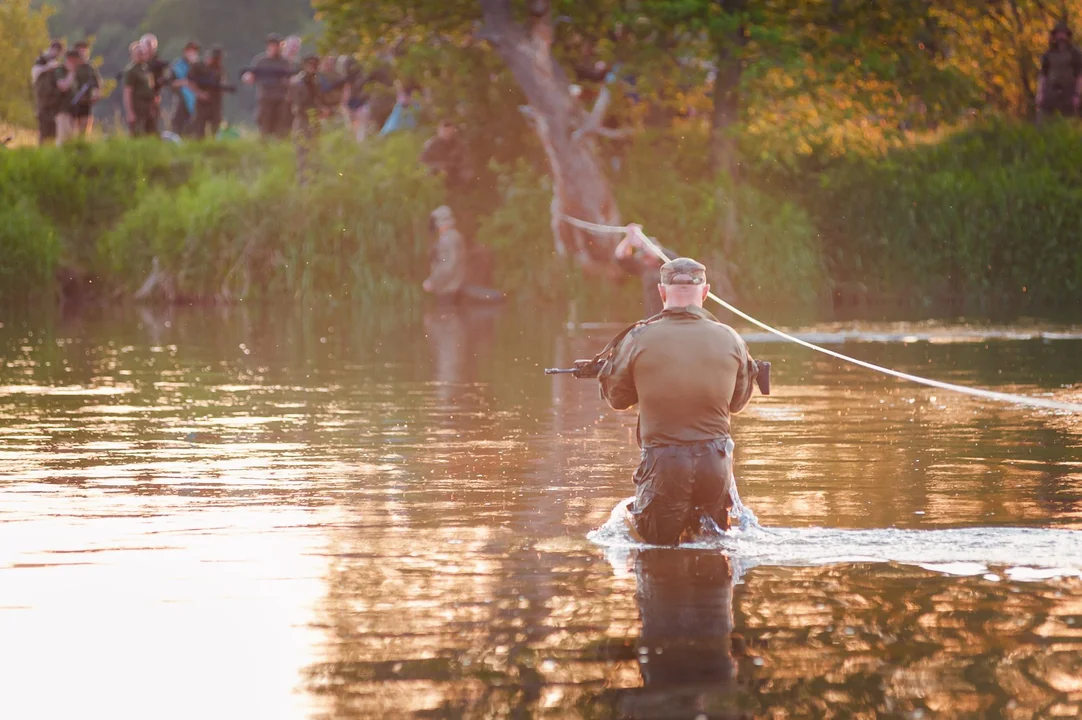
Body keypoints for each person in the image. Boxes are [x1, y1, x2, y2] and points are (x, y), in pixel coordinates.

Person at [598, 257, 762, 545]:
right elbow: (737, 403)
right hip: (716, 464)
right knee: (714, 553)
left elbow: (617, 398)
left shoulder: (638, 337)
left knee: (656, 554)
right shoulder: (731, 338)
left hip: (664, 464)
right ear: (706, 291)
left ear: (662, 292)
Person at [614, 224, 676, 318]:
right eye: (643, 257)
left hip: (671, 319)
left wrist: (641, 241)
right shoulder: (643, 268)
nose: (645, 260)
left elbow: (656, 253)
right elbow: (620, 256)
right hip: (652, 320)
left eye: (647, 256)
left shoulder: (669, 261)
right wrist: (629, 238)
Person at [243, 34, 293, 139]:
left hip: (280, 97)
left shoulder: (284, 62)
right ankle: (264, 144)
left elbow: (289, 78)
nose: (275, 47)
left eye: (277, 45)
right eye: (272, 45)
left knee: (281, 122)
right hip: (265, 96)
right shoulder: (261, 61)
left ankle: (279, 144)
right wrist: (248, 77)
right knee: (264, 122)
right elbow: (251, 74)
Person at [1038, 22, 1082, 120]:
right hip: (1051, 91)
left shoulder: (1075, 53)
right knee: (1045, 120)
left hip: (1069, 91)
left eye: (1063, 33)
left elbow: (1079, 75)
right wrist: (1040, 93)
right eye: (1058, 33)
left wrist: (1077, 94)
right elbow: (1043, 75)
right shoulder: (1049, 54)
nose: (1060, 36)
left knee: (1070, 120)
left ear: (1067, 35)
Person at [289, 54, 323, 179]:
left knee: (315, 151)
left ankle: (314, 179)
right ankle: (303, 181)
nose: (313, 68)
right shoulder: (299, 83)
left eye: (315, 65)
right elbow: (297, 107)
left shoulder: (315, 82)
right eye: (310, 65)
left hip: (314, 121)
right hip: (303, 121)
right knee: (302, 153)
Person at [424, 206, 468, 301]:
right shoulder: (455, 236)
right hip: (454, 287)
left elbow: (447, 265)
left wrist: (432, 281)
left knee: (446, 313)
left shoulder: (447, 239)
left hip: (449, 290)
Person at [188, 47, 230, 139]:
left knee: (216, 128)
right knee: (199, 129)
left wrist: (221, 89)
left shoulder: (219, 69)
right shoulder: (198, 66)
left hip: (215, 102)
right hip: (202, 102)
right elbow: (190, 82)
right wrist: (199, 93)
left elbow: (222, 82)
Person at [420, 119, 474, 190]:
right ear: (439, 131)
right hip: (437, 172)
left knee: (468, 173)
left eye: (449, 131)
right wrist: (438, 166)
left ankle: (463, 193)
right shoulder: (431, 145)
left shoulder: (460, 143)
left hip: (455, 170)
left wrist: (457, 166)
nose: (447, 134)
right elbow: (423, 162)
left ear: (453, 130)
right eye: (444, 131)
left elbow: (467, 160)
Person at [32, 41, 65, 145]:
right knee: (44, 131)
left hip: (54, 102)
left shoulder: (57, 64)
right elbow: (35, 73)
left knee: (53, 132)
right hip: (42, 101)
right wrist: (48, 67)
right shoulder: (41, 60)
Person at [123, 41, 158, 137]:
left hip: (148, 107)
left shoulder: (146, 69)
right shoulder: (131, 71)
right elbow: (127, 92)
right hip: (137, 107)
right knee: (137, 134)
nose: (141, 55)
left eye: (142, 53)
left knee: (151, 134)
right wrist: (130, 112)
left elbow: (151, 86)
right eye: (138, 53)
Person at [70, 42, 103, 138]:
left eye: (85, 51)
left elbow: (97, 83)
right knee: (72, 129)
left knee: (85, 128)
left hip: (85, 102)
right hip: (72, 102)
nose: (83, 53)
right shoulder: (72, 66)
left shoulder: (90, 68)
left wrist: (96, 93)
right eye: (80, 51)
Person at [168, 42, 201, 136]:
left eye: (194, 52)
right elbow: (170, 83)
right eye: (190, 51)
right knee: (178, 129)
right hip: (181, 101)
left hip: (196, 103)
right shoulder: (177, 66)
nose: (192, 54)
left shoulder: (199, 66)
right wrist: (183, 82)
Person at [51, 51, 82, 146]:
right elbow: (63, 86)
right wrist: (71, 72)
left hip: (72, 110)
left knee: (71, 138)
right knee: (62, 138)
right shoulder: (60, 71)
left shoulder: (76, 73)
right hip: (61, 109)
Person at [140, 34, 169, 134]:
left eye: (149, 45)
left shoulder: (158, 64)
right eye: (145, 45)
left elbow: (164, 79)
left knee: (152, 125)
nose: (147, 48)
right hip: (139, 100)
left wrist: (157, 93)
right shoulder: (139, 64)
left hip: (153, 98)